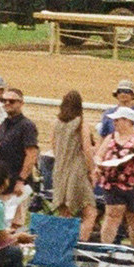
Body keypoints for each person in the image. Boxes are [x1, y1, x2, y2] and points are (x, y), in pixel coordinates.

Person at [92, 112, 134, 244]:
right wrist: (99, 165)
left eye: (118, 120)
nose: (115, 123)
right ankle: (106, 247)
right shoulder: (111, 137)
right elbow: (99, 154)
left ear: (128, 121)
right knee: (111, 215)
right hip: (113, 182)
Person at [49, 87, 97, 233]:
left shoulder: (56, 123)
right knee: (90, 212)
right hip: (77, 171)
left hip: (59, 171)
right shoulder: (81, 122)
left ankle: (63, 244)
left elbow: (54, 146)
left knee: (64, 213)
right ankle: (80, 242)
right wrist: (92, 170)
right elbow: (87, 149)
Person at [0, 85, 39, 190]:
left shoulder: (27, 126)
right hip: (3, 181)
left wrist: (21, 180)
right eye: (3, 100)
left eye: (12, 101)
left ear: (21, 103)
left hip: (17, 183)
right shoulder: (3, 124)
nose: (7, 103)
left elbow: (31, 155)